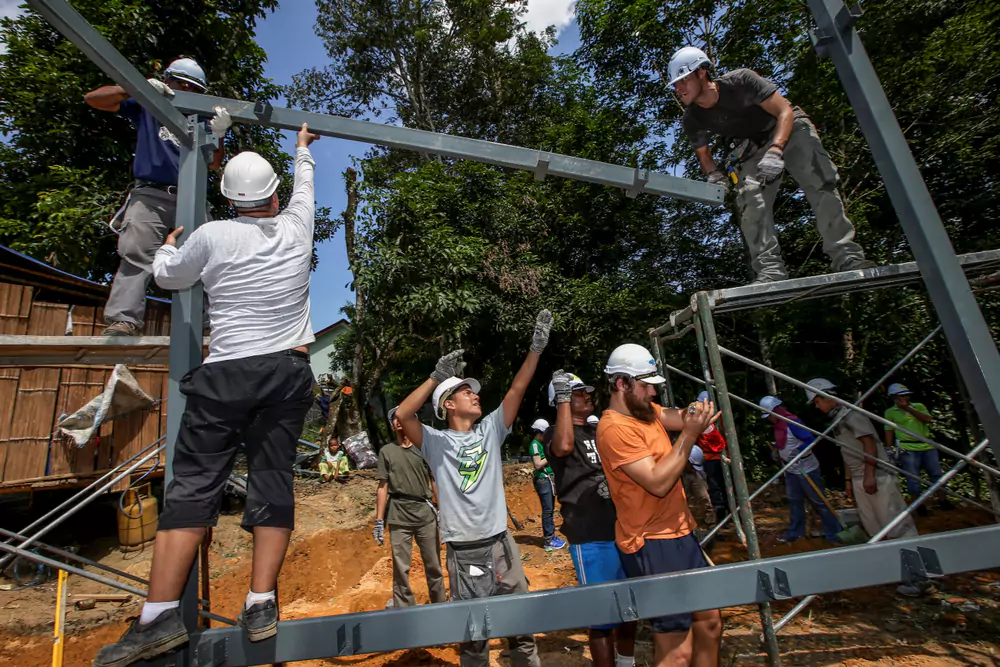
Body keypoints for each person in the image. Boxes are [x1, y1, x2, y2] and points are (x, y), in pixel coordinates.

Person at [93, 124, 321, 667]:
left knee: (193, 488)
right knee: (272, 481)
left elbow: (169, 278)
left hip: (226, 376)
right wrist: (303, 151)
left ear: (229, 199)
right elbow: (306, 189)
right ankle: (261, 603)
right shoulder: (296, 227)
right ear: (272, 195)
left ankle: (157, 617)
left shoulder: (214, 235)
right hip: (288, 371)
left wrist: (170, 249)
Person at [395, 310, 553, 667]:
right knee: (475, 635)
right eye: (465, 392)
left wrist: (536, 349)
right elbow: (403, 416)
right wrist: (435, 378)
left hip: (501, 542)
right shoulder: (435, 442)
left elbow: (517, 388)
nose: (474, 395)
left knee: (521, 626)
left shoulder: (491, 430)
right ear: (448, 405)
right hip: (465, 551)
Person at [667, 46, 875, 284]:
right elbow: (704, 157)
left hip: (790, 128)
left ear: (702, 72)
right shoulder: (692, 117)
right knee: (750, 198)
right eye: (675, 84)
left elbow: (784, 111)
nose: (678, 88)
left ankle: (847, 257)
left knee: (820, 182)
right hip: (752, 145)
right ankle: (770, 272)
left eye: (683, 80)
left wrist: (776, 151)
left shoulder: (741, 82)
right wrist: (715, 176)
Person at [596, 343, 723, 667]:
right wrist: (690, 435)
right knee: (676, 650)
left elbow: (675, 417)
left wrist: (695, 414)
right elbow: (657, 482)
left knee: (709, 623)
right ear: (622, 384)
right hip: (650, 542)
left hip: (679, 532)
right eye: (645, 384)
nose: (653, 391)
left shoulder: (645, 410)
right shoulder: (614, 429)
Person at [85, 57, 230, 336]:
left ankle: (211, 324)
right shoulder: (149, 104)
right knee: (136, 253)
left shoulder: (201, 117)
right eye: (181, 84)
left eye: (193, 88)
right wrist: (135, 89)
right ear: (168, 81)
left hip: (192, 195)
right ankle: (124, 319)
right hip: (150, 194)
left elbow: (213, 164)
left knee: (207, 255)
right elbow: (94, 99)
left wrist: (220, 133)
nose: (186, 90)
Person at [547, 371, 636, 667]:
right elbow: (563, 447)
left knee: (630, 605)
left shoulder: (599, 432)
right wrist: (562, 403)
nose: (586, 396)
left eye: (586, 392)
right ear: (560, 401)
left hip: (622, 529)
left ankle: (626, 661)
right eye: (577, 393)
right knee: (601, 615)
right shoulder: (554, 434)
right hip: (589, 534)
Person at [806, 379, 917, 543]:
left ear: (827, 397)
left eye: (817, 401)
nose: (817, 406)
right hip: (861, 477)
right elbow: (846, 451)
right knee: (873, 526)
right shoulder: (837, 420)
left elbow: (869, 443)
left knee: (894, 523)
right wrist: (849, 481)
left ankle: (914, 554)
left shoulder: (852, 415)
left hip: (877, 476)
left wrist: (869, 475)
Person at [373, 407, 446, 608]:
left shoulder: (423, 449)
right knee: (400, 568)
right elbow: (382, 487)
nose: (398, 421)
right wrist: (379, 521)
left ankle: (440, 607)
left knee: (433, 566)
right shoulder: (387, 452)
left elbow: (434, 481)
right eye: (393, 419)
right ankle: (405, 611)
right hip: (398, 515)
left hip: (425, 514)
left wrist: (443, 512)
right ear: (391, 425)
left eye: (401, 417)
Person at [759, 396, 841, 543]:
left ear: (776, 411)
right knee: (794, 500)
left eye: (770, 415)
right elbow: (784, 443)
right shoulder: (779, 426)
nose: (769, 419)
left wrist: (799, 451)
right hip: (791, 469)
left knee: (819, 501)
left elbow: (810, 439)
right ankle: (795, 532)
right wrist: (777, 450)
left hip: (806, 467)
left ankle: (834, 533)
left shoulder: (792, 423)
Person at [884, 383, 953, 515]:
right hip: (905, 446)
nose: (906, 397)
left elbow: (928, 419)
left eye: (907, 395)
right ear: (894, 398)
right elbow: (889, 430)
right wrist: (889, 448)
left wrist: (908, 409)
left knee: (936, 474)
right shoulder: (890, 412)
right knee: (913, 477)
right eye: (902, 396)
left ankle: (943, 500)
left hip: (927, 445)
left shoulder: (918, 406)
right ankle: (919, 506)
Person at [528, 418, 566, 551]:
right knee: (548, 510)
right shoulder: (534, 444)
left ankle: (551, 537)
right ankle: (548, 540)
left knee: (550, 509)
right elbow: (538, 464)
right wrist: (550, 455)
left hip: (548, 479)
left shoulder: (542, 444)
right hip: (543, 479)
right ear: (538, 433)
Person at [695, 391, 729, 524]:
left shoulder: (718, 419)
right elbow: (717, 445)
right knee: (716, 489)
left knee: (721, 488)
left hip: (717, 458)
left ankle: (727, 515)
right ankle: (722, 517)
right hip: (711, 459)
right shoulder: (704, 421)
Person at [681, 445, 716, 530]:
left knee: (704, 498)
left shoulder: (696, 468)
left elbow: (703, 496)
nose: (693, 468)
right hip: (681, 475)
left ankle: (711, 526)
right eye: (692, 465)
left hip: (694, 476)